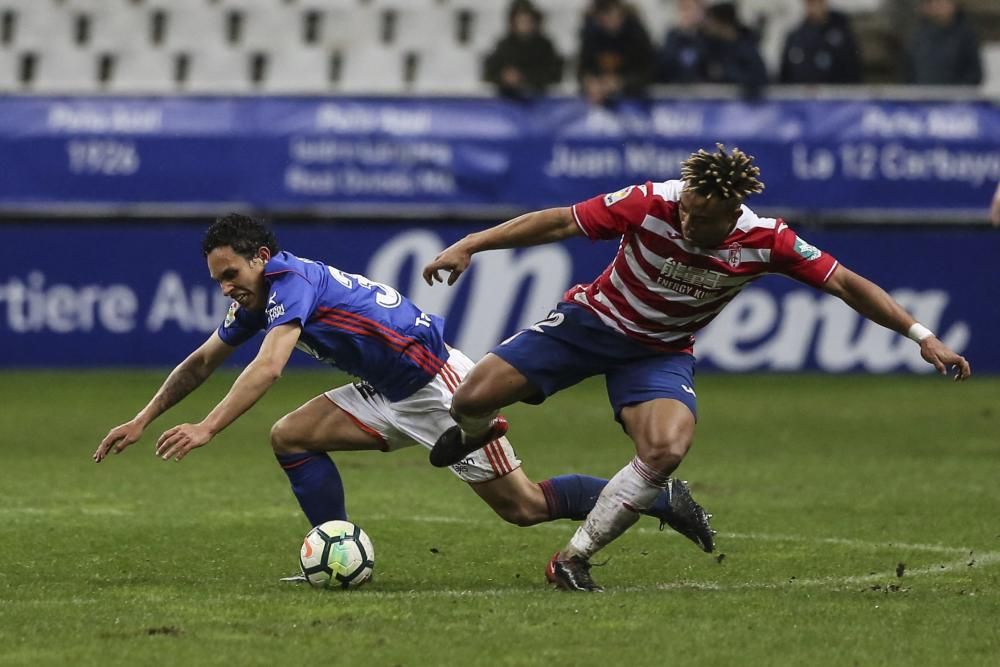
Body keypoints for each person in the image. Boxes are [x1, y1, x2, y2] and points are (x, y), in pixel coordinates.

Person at [422, 144, 972, 592]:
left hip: (658, 351)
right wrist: (471, 245)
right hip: (590, 324)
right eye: (686, 206)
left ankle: (574, 558)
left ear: (733, 216)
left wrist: (921, 336)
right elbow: (559, 223)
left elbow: (848, 284)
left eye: (702, 217)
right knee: (470, 397)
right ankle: (477, 430)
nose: (687, 218)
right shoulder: (649, 201)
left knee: (665, 450)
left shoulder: (767, 240)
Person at [93, 214, 716, 580]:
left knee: (523, 508)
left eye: (231, 275)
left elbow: (268, 368)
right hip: (383, 389)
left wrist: (206, 428)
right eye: (218, 281)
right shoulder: (260, 294)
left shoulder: (289, 283)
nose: (227, 289)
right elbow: (204, 360)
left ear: (262, 258)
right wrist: (144, 417)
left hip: (437, 386)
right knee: (290, 436)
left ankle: (656, 497)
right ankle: (336, 550)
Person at [577, 0, 656, 106]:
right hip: (599, 104)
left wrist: (622, 83)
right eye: (605, 15)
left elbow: (649, 72)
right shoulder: (590, 34)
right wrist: (590, 83)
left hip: (635, 103)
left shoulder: (637, 35)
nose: (610, 20)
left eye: (613, 14)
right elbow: (582, 69)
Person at [483, 0, 563, 101]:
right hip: (508, 102)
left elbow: (555, 74)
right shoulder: (504, 45)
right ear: (514, 22)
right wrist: (504, 76)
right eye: (520, 21)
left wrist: (523, 77)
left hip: (538, 101)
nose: (525, 25)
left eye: (528, 20)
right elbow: (489, 72)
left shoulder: (545, 46)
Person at [779, 0, 862, 84]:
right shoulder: (795, 37)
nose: (813, 8)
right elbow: (785, 74)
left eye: (816, 2)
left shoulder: (842, 35)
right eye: (809, 3)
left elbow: (852, 70)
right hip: (800, 94)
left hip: (835, 93)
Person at [698, 2, 768, 97]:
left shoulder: (747, 48)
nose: (706, 24)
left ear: (723, 22)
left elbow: (758, 79)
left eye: (711, 19)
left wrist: (725, 73)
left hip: (743, 107)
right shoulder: (709, 45)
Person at [904, 0, 982, 86]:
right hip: (922, 95)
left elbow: (974, 73)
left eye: (944, 2)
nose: (940, 6)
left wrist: (956, 92)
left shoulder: (966, 36)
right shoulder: (918, 36)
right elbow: (908, 70)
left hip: (954, 96)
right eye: (936, 2)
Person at [657, 0, 707, 84]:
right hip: (675, 89)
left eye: (690, 9)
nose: (687, 14)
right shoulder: (672, 36)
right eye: (683, 9)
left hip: (704, 90)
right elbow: (665, 64)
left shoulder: (707, 36)